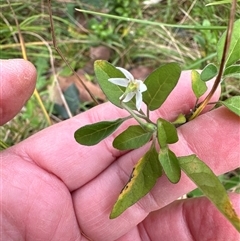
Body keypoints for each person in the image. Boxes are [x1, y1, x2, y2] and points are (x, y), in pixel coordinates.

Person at [1, 59, 239, 241]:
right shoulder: (134, 97)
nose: (133, 86)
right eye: (132, 85)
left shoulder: (141, 99)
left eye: (134, 85)